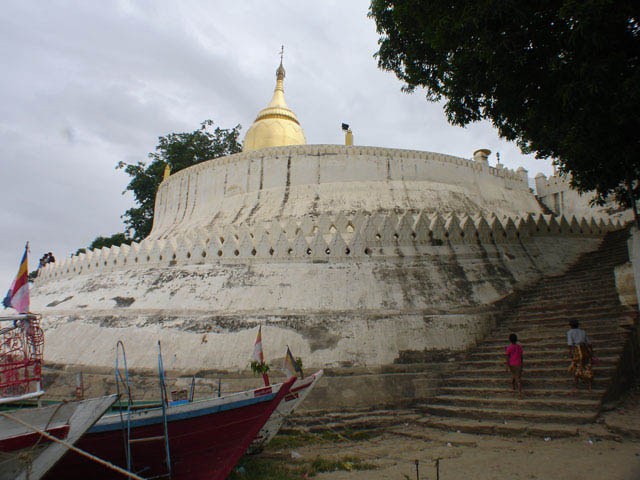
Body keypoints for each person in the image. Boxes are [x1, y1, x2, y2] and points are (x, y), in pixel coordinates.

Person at [567, 319, 593, 392]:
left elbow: (570, 344)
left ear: (571, 326)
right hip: (585, 349)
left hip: (577, 350)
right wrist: (591, 352)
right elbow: (589, 343)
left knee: (577, 367)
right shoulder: (583, 332)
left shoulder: (570, 332)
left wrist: (570, 353)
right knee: (587, 367)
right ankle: (590, 387)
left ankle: (576, 387)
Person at [505, 333, 524, 398]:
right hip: (518, 364)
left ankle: (513, 386)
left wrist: (507, 366)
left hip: (512, 364)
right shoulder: (519, 347)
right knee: (518, 378)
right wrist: (522, 363)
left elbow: (507, 357)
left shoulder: (509, 347)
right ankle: (519, 393)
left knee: (513, 374)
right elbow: (521, 356)